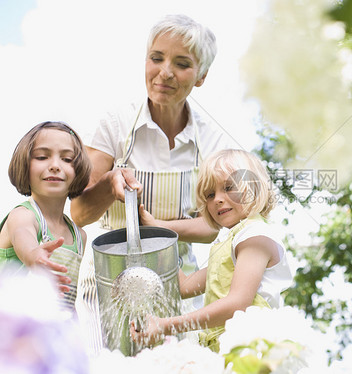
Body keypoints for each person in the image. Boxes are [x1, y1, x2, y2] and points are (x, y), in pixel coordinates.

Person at [70, 14, 237, 353]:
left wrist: (159, 226)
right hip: (104, 281)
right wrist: (109, 184)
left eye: (182, 63)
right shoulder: (115, 122)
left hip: (176, 283)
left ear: (202, 76)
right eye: (156, 58)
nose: (165, 72)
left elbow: (216, 224)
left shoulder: (212, 139)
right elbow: (79, 212)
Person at [130, 149, 294, 352]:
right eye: (210, 194)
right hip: (230, 352)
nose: (217, 199)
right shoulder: (230, 244)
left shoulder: (255, 237)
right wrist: (158, 236)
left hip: (253, 351)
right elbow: (185, 287)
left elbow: (237, 304)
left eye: (228, 188)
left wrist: (166, 325)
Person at [0, 121, 91, 311]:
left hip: (50, 334)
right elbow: (22, 234)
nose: (55, 166)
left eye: (67, 159)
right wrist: (33, 255)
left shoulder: (79, 236)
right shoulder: (23, 215)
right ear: (24, 164)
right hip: (12, 330)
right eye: (42, 157)